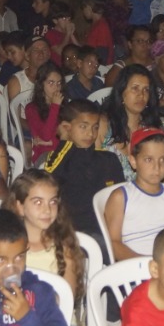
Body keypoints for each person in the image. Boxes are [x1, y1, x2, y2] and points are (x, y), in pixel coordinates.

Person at [7, 170, 93, 326]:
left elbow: (65, 299)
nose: (47, 209)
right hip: (13, 323)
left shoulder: (65, 246)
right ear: (19, 206)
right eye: (37, 202)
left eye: (53, 202)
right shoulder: (7, 246)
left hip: (61, 324)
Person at [38, 99, 124, 237]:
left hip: (107, 231)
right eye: (83, 127)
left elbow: (121, 199)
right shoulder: (58, 160)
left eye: (95, 127)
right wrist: (65, 140)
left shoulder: (109, 159)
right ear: (66, 127)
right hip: (72, 234)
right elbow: (48, 180)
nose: (90, 134)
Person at [105, 128, 164, 259]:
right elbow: (113, 243)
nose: (157, 167)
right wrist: (144, 263)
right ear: (133, 161)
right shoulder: (121, 197)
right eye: (149, 159)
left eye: (163, 159)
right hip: (135, 269)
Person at [23, 62, 65, 166]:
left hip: (65, 150)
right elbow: (45, 136)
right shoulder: (31, 109)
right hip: (45, 155)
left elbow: (71, 135)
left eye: (59, 83)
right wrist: (55, 107)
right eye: (51, 83)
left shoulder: (65, 105)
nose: (56, 88)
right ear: (41, 84)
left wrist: (52, 142)